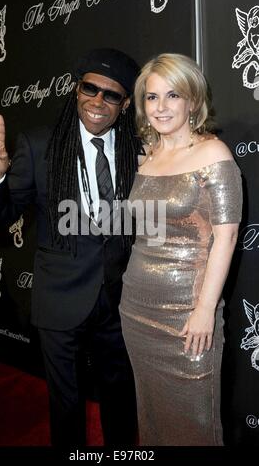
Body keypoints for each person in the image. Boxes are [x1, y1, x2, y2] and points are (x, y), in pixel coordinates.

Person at [0, 48, 141, 449]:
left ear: (126, 104)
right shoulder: (39, 146)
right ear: (75, 88)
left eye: (111, 95)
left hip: (118, 299)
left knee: (120, 397)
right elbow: (2, 218)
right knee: (65, 402)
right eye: (90, 88)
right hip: (59, 297)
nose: (98, 102)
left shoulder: (138, 150)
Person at [119, 53, 243, 446]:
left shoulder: (213, 154)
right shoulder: (147, 156)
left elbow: (226, 236)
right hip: (136, 307)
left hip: (187, 313)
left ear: (192, 100)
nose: (161, 107)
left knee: (195, 421)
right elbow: (146, 232)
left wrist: (206, 309)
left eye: (172, 95)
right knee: (151, 412)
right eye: (151, 97)